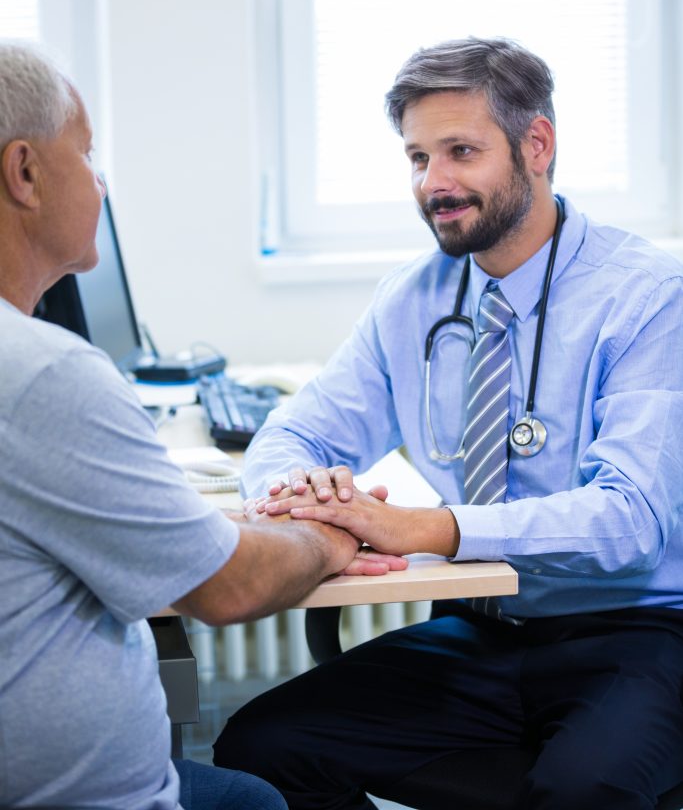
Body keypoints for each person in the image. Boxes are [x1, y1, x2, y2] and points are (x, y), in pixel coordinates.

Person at [213, 37, 683, 810]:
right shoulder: (416, 296)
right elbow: (294, 432)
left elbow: (627, 520)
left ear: (536, 145)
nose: (434, 183)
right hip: (483, 631)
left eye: (460, 151)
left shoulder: (647, 298)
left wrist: (428, 529)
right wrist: (298, 492)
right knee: (261, 748)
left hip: (639, 632)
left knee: (580, 790)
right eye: (416, 158)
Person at [0, 41, 405, 810]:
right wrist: (334, 532)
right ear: (24, 172)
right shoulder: (44, 373)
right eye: (87, 156)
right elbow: (231, 586)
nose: (101, 182)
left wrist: (238, 520)